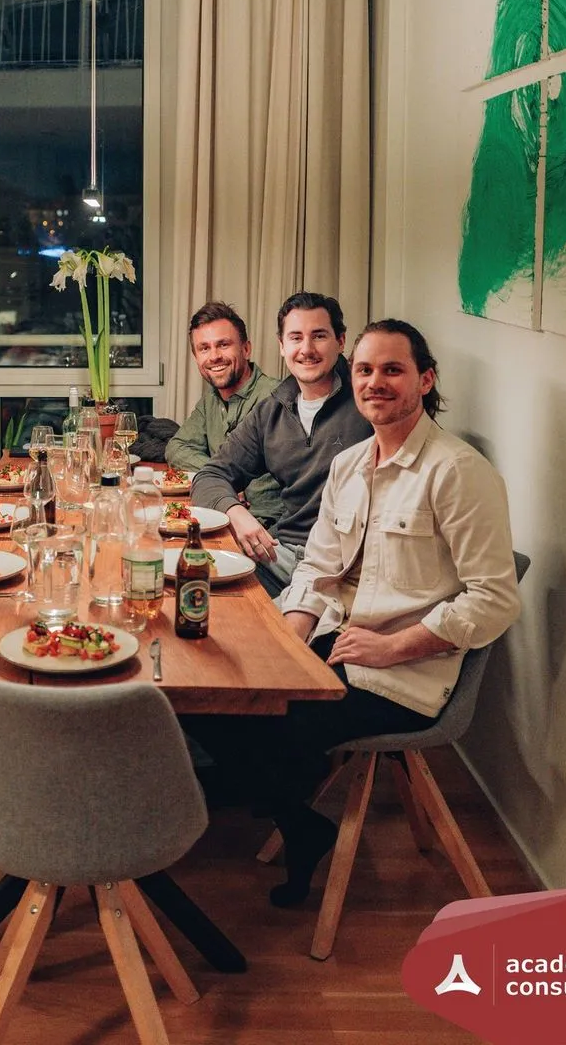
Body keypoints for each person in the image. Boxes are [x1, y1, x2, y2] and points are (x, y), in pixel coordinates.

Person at [187, 320, 521, 909]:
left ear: (426, 379)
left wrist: (394, 647)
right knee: (216, 695)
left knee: (271, 726)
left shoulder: (457, 473)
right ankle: (299, 820)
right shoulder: (351, 464)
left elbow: (494, 599)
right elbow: (318, 568)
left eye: (392, 370)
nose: (375, 383)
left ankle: (290, 820)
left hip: (403, 673)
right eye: (366, 370)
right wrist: (289, 643)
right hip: (338, 642)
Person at [190, 291, 372, 596]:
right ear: (281, 345)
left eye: (319, 336)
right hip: (281, 555)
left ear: (341, 341)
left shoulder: (367, 400)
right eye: (296, 338)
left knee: (253, 632)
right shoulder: (274, 408)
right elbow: (210, 476)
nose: (306, 349)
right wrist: (235, 512)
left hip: (344, 567)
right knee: (194, 580)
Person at [164, 301, 285, 527]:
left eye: (223, 344)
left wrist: (220, 482)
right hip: (224, 519)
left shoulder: (276, 398)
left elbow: (268, 494)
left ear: (246, 349)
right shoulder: (211, 398)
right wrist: (220, 479)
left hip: (268, 532)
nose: (214, 356)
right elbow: (177, 447)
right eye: (204, 348)